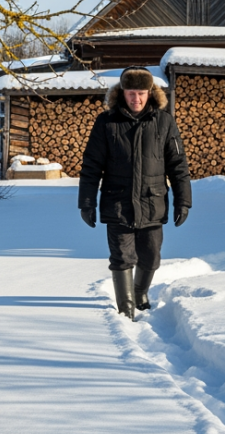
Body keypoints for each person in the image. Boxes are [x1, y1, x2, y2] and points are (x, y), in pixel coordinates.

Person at [79, 67, 191, 320]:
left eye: (141, 93)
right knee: (122, 258)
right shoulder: (106, 122)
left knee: (151, 257)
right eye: (131, 93)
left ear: (150, 93)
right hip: (117, 201)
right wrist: (86, 203)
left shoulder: (164, 122)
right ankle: (126, 309)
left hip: (153, 202)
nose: (136, 99)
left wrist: (183, 201)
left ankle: (140, 292)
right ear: (122, 92)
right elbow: (91, 166)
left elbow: (178, 166)